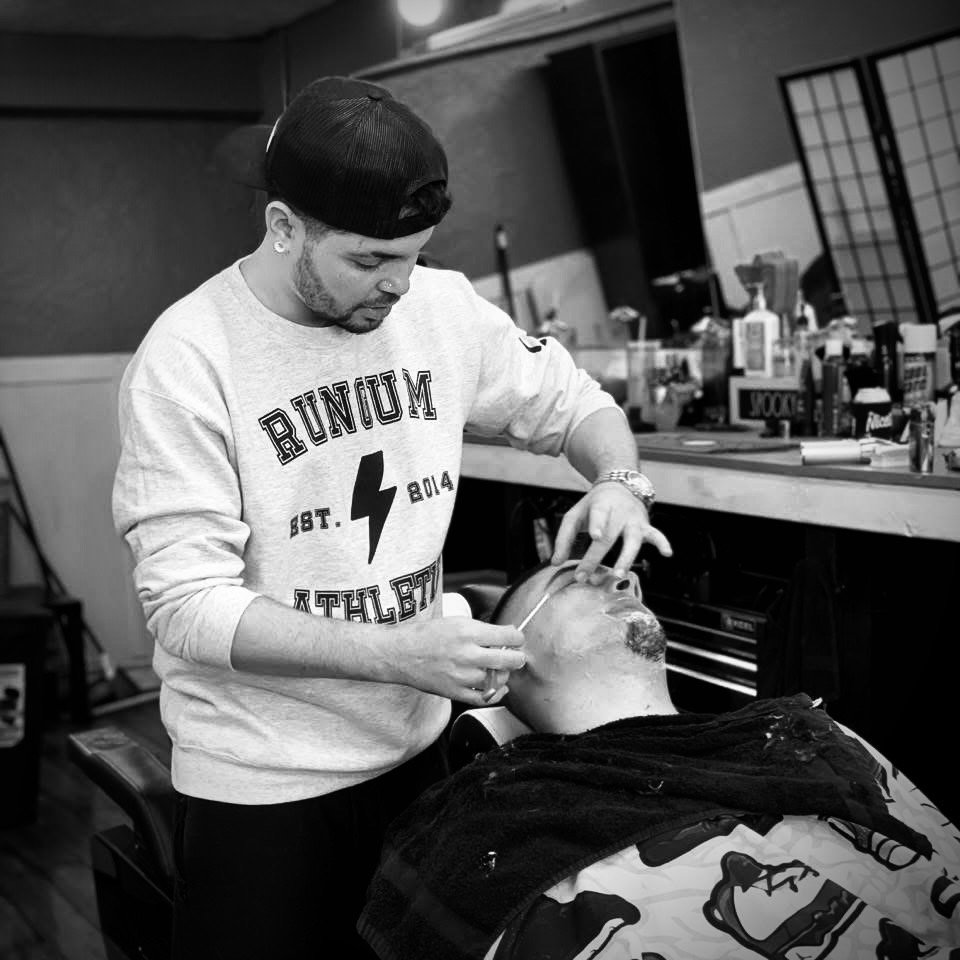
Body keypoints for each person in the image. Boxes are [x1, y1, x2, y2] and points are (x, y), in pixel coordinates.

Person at [111, 75, 671, 958]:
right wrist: (394, 652)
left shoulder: (440, 307)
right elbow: (185, 607)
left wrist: (618, 481)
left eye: (412, 256)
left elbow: (575, 405)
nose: (398, 288)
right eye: (369, 262)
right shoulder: (187, 361)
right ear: (284, 225)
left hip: (420, 759)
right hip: (265, 786)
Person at [359, 561, 960, 960]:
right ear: (504, 654)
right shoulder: (495, 823)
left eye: (619, 577)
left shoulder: (799, 731)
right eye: (576, 581)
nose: (624, 582)